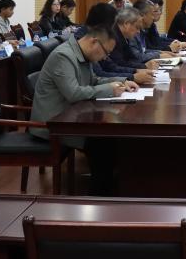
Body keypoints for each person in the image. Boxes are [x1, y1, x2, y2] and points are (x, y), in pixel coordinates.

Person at [28, 21, 138, 195]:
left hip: (72, 117)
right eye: (106, 52)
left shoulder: (82, 55)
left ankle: (113, 189)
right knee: (102, 143)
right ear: (94, 42)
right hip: (53, 124)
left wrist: (122, 81)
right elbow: (73, 93)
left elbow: (94, 81)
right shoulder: (63, 56)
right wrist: (110, 89)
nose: (105, 58)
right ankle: (99, 196)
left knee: (112, 139)